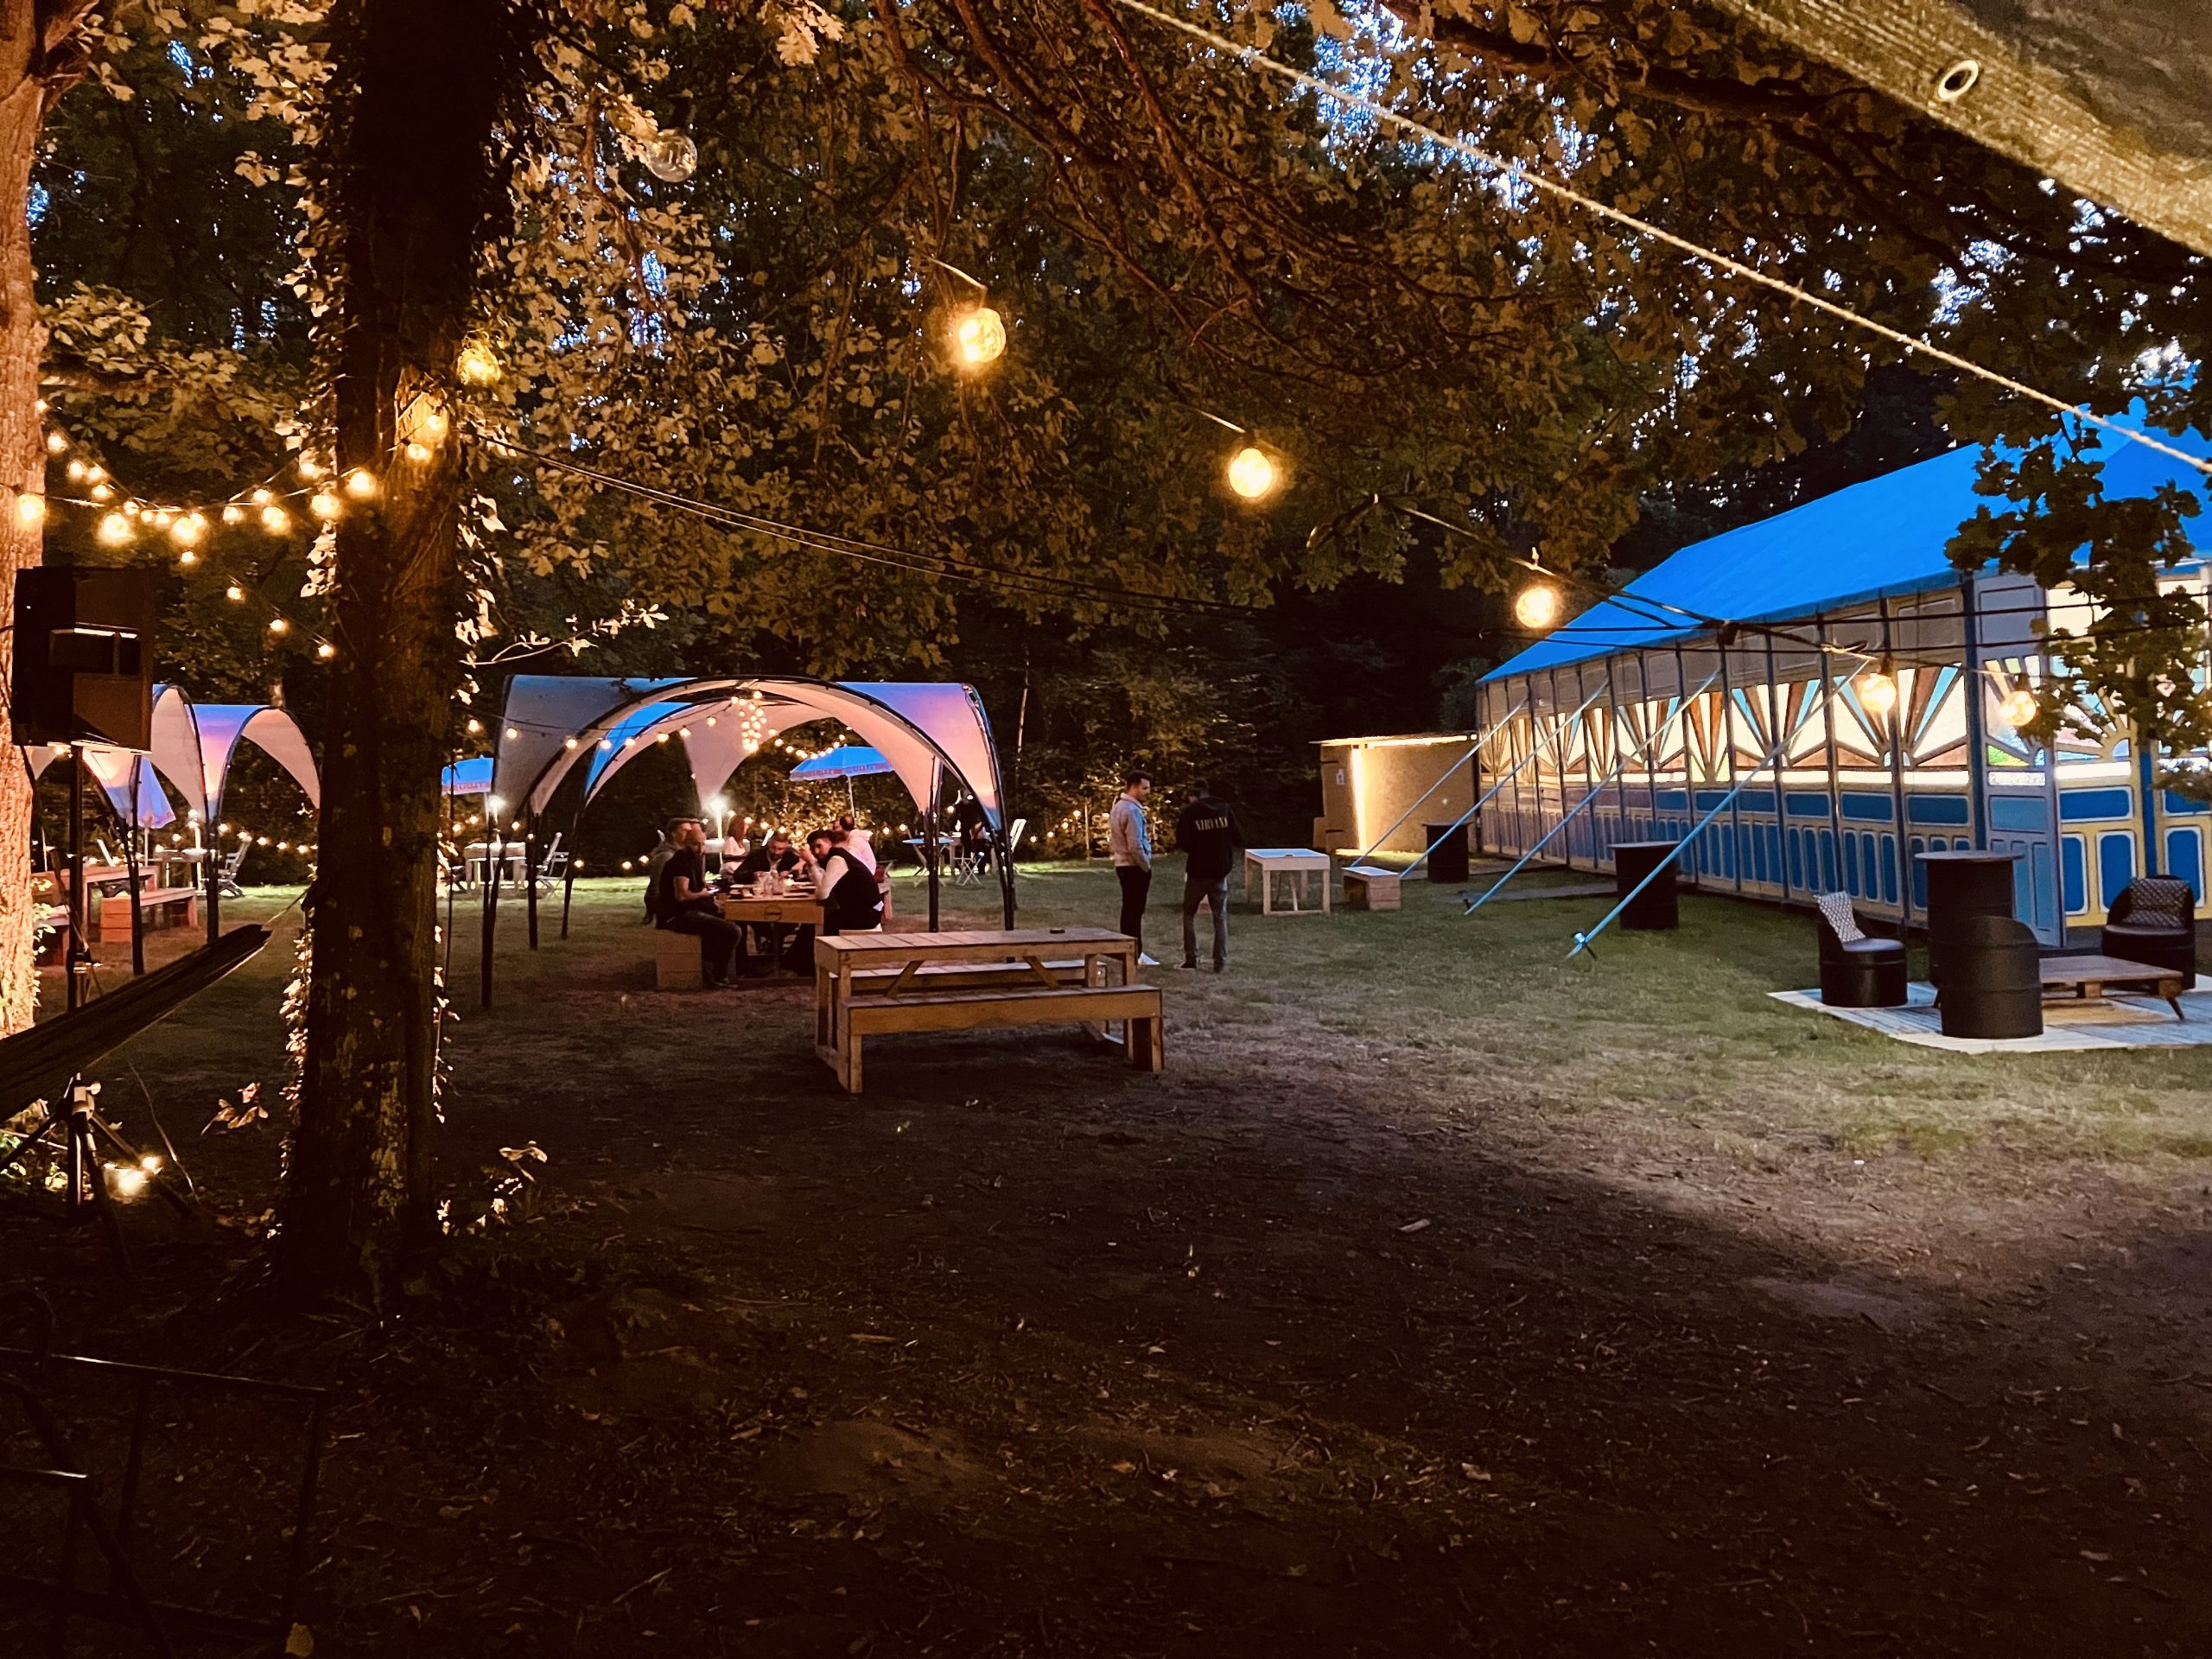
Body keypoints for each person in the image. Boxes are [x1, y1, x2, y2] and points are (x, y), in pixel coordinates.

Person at [1173, 778, 1246, 973]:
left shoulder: (1190, 813)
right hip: (1219, 872)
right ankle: (1219, 961)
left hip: (1197, 872)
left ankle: (1191, 958)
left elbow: (1183, 841)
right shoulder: (1224, 808)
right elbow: (1238, 837)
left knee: (1189, 915)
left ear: (1193, 796)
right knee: (1220, 917)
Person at [654, 820, 740, 987]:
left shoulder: (692, 859)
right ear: (686, 842)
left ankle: (726, 966)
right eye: (695, 844)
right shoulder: (681, 861)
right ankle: (718, 975)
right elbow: (682, 895)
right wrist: (704, 893)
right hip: (677, 915)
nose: (700, 849)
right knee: (732, 931)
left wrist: (707, 888)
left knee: (733, 915)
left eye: (702, 844)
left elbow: (694, 885)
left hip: (687, 910)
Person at [1108, 769, 1158, 966]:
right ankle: (1136, 953)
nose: (1148, 792)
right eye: (1144, 788)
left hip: (1122, 864)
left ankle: (1126, 949)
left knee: (1128, 909)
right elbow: (1135, 844)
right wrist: (1145, 866)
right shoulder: (1132, 810)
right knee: (1135, 910)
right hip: (1133, 866)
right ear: (1134, 787)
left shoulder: (1118, 806)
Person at [806, 827, 883, 936]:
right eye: (812, 848)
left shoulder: (837, 860)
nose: (816, 852)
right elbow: (823, 886)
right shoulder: (836, 857)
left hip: (867, 914)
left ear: (829, 843)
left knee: (816, 922)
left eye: (819, 846)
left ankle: (820, 952)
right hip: (866, 910)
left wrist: (811, 864)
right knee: (813, 921)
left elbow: (822, 894)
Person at [640, 820, 685, 921]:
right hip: (667, 907)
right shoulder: (666, 856)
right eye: (684, 830)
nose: (689, 834)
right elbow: (656, 887)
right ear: (673, 834)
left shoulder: (678, 854)